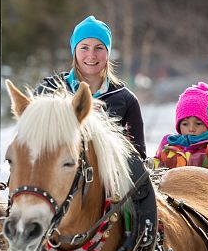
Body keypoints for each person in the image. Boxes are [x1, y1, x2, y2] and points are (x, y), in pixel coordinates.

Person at [36, 15, 146, 160]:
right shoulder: (50, 91)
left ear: (108, 53)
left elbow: (139, 159)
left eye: (99, 48)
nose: (91, 55)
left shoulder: (126, 100)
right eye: (84, 48)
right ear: (74, 51)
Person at [153, 81, 208, 176]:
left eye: (198, 124)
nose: (191, 128)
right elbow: (155, 173)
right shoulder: (169, 147)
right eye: (185, 124)